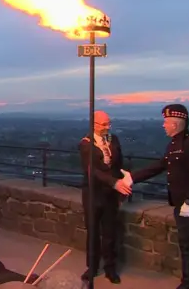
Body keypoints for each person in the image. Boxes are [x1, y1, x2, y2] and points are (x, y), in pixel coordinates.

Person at [121, 104, 189, 289]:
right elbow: (160, 165)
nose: (163, 125)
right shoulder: (174, 144)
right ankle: (188, 282)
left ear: (175, 124)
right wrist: (132, 177)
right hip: (181, 205)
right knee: (186, 245)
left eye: (166, 122)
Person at [78, 110, 130, 284]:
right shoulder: (85, 144)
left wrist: (122, 182)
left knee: (110, 232)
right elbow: (92, 171)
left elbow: (119, 163)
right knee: (93, 231)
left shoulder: (113, 140)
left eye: (109, 123)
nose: (108, 127)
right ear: (94, 124)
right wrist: (113, 182)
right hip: (93, 194)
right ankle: (92, 267)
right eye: (104, 124)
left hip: (110, 195)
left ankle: (110, 268)